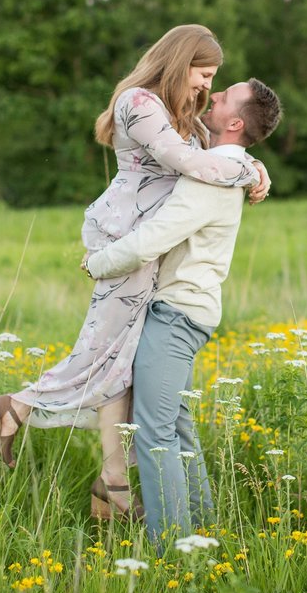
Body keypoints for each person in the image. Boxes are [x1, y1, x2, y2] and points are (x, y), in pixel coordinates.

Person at [0, 25, 270, 520]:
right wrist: (249, 173)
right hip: (123, 239)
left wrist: (256, 167)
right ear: (181, 62)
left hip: (145, 246)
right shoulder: (140, 103)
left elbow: (224, 149)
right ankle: (15, 407)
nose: (205, 86)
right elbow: (190, 162)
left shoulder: (184, 115)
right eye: (205, 74)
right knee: (101, 350)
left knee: (122, 359)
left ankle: (112, 482)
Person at [83, 78, 283, 545]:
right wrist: (256, 167)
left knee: (155, 434)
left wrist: (99, 262)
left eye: (222, 97)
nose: (211, 98)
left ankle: (172, 546)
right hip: (188, 310)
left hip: (176, 313)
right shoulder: (227, 166)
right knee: (176, 426)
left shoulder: (212, 175)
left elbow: (157, 237)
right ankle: (203, 531)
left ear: (234, 122)